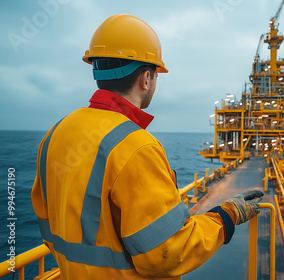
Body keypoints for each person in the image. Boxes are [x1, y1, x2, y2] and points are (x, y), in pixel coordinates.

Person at [31, 14, 263, 279]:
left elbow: (48, 225)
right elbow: (169, 254)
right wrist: (226, 216)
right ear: (146, 79)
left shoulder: (55, 134)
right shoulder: (135, 146)